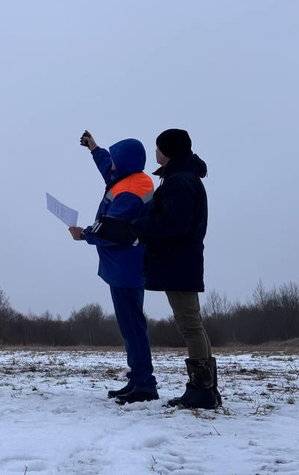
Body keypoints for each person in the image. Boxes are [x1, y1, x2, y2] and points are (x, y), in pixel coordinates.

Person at [90, 128, 220, 410]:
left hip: (179, 261)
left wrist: (137, 225)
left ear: (168, 152)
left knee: (189, 324)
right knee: (191, 323)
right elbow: (110, 167)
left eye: (158, 148)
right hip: (179, 260)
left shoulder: (180, 182)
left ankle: (201, 389)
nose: (155, 153)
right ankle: (205, 387)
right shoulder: (179, 179)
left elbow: (173, 225)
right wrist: (94, 149)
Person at [69, 130, 158, 404]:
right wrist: (94, 149)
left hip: (127, 270)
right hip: (124, 268)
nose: (113, 165)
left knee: (132, 327)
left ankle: (145, 384)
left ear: (126, 163)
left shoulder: (131, 192)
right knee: (130, 325)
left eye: (117, 160)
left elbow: (111, 231)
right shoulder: (128, 178)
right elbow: (108, 167)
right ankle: (138, 379)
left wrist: (83, 234)